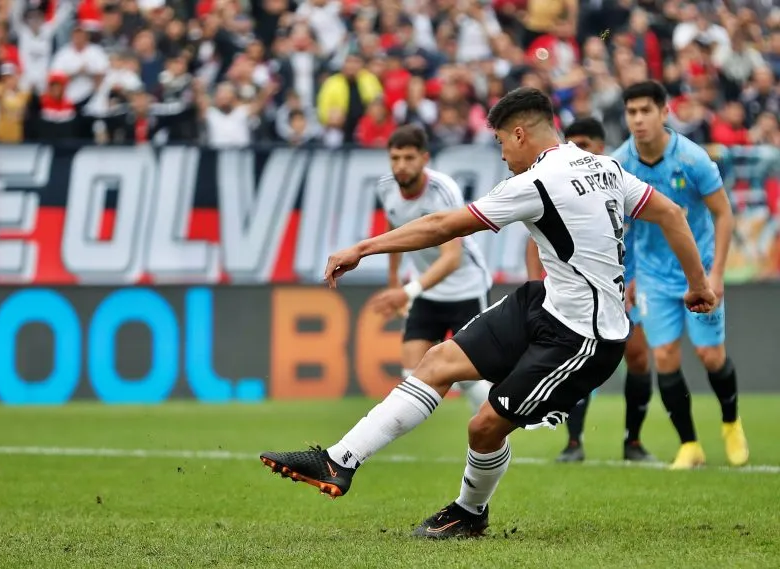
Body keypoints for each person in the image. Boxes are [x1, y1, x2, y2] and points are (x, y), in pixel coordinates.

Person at [259, 87, 716, 539]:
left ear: (519, 134)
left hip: (585, 337)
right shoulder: (605, 167)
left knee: (484, 427)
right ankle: (339, 460)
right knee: (436, 362)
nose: (501, 155)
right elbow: (673, 214)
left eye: (500, 142)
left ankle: (469, 512)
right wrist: (698, 284)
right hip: (546, 301)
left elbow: (442, 226)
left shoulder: (537, 182)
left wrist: (364, 247)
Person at [613, 81, 750, 470]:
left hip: (699, 273)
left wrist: (717, 273)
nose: (638, 119)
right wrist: (631, 276)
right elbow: (625, 227)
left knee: (710, 356)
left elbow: (723, 214)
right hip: (654, 279)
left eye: (645, 111)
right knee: (665, 357)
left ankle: (730, 422)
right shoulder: (620, 164)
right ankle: (690, 444)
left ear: (663, 113)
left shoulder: (692, 159)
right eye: (631, 112)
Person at [525, 117, 655, 463]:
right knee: (580, 361)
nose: (575, 151)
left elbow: (647, 232)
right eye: (572, 143)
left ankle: (634, 442)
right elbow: (535, 234)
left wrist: (640, 276)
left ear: (600, 147)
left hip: (628, 282)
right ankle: (573, 442)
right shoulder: (562, 181)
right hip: (585, 288)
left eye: (584, 144)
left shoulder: (618, 178)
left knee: (639, 358)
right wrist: (537, 282)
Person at [371, 124, 493, 413]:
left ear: (425, 159)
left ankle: (494, 428)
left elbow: (451, 258)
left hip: (465, 288)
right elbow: (394, 227)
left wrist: (408, 291)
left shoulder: (443, 190)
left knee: (468, 376)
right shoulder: (386, 186)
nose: (401, 166)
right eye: (395, 158)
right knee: (411, 373)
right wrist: (393, 283)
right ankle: (392, 435)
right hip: (427, 292)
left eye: (409, 158)